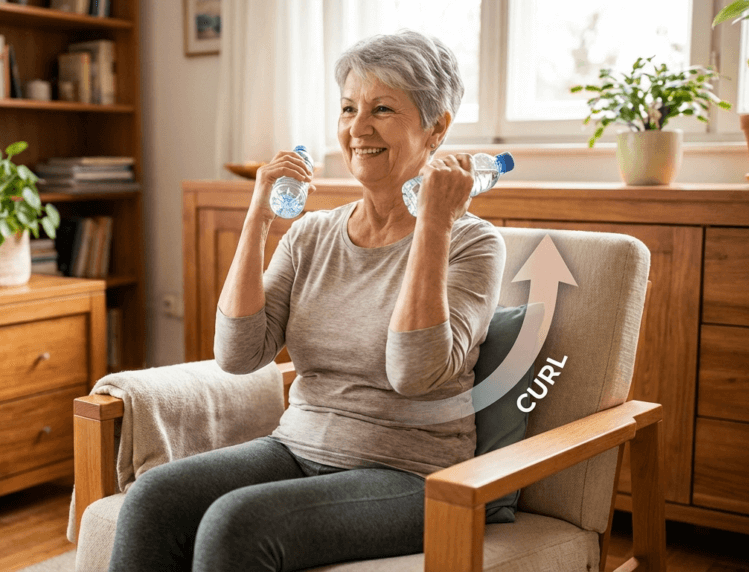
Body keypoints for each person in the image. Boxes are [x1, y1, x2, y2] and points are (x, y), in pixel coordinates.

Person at [109, 30, 505, 571]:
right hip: (296, 447)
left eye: (382, 109)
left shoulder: (473, 242)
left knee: (236, 525)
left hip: (411, 475)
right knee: (153, 498)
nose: (357, 128)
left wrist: (433, 221)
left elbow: (414, 372)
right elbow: (239, 354)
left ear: (436, 127)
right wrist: (258, 218)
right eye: (348, 109)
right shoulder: (313, 234)